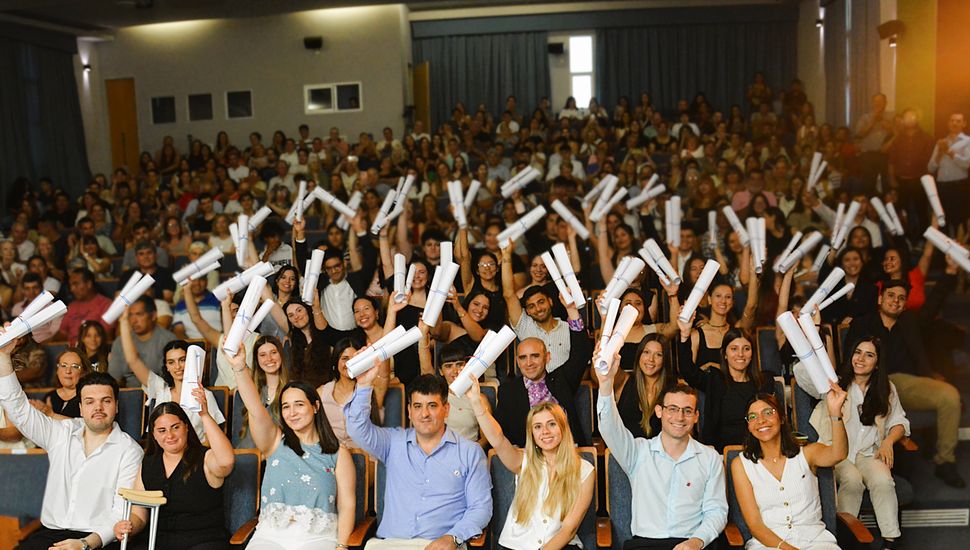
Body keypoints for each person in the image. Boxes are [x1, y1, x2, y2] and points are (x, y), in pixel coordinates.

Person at [0, 339, 143, 550]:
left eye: (106, 400)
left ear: (116, 406)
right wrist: (3, 357)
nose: (98, 408)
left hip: (99, 540)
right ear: (81, 407)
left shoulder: (129, 451)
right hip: (50, 535)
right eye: (90, 401)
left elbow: (121, 514)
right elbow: (19, 411)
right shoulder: (60, 433)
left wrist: (84, 544)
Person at [227, 341, 355, 550]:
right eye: (286, 407)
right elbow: (256, 409)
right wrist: (240, 367)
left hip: (318, 538)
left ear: (315, 406)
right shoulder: (275, 442)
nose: (292, 413)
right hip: (270, 536)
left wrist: (342, 546)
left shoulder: (338, 453)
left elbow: (347, 505)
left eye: (299, 405)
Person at [345, 370, 492, 549]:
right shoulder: (392, 443)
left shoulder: (470, 452)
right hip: (391, 544)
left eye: (432, 405)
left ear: (446, 409)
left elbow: (480, 508)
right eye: (417, 406)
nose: (424, 414)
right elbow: (356, 428)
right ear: (409, 411)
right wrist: (363, 386)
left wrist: (453, 537)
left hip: (440, 544)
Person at [596, 354, 727, 550]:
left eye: (687, 410)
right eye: (672, 409)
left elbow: (716, 511)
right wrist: (606, 383)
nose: (680, 417)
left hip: (693, 544)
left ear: (696, 417)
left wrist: (696, 541)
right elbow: (608, 427)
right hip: (646, 544)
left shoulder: (710, 458)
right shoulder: (639, 451)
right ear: (659, 412)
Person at [846, 277, 965, 487]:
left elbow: (932, 308)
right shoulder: (863, 323)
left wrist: (948, 274)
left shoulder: (909, 322)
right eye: (891, 295)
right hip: (871, 382)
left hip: (906, 382)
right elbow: (849, 359)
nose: (896, 301)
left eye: (901, 298)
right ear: (880, 298)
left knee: (950, 395)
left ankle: (945, 461)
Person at [794, 337, 909, 548]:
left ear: (877, 363)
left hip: (868, 453)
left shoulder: (886, 388)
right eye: (858, 352)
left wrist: (888, 442)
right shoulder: (835, 382)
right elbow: (802, 375)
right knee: (852, 479)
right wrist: (812, 338)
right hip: (837, 453)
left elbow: (899, 421)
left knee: (884, 480)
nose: (861, 358)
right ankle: (845, 538)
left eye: (869, 354)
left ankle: (890, 541)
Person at [462, 375, 594, 550]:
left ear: (563, 428)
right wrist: (476, 403)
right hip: (518, 545)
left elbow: (568, 530)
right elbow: (498, 439)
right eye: (538, 427)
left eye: (552, 424)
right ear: (532, 434)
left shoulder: (585, 470)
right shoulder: (523, 461)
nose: (545, 431)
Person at [113, 392, 235, 550]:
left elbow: (227, 461)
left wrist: (204, 415)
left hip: (203, 541)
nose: (169, 435)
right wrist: (129, 527)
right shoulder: (148, 463)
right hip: (158, 541)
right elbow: (139, 514)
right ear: (154, 435)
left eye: (175, 427)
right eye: (162, 430)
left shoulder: (205, 458)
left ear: (186, 427)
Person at [730, 389, 848, 550]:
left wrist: (835, 413)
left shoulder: (807, 453)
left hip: (817, 542)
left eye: (768, 412)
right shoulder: (741, 464)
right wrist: (787, 548)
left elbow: (839, 453)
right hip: (769, 545)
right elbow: (755, 524)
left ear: (782, 418)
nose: (761, 420)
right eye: (753, 417)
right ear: (749, 426)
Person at [495, 298, 592, 446]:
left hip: (567, 453)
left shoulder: (561, 380)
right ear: (517, 361)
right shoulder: (507, 392)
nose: (529, 363)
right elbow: (503, 436)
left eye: (535, 356)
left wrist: (572, 311)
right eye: (523, 358)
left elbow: (581, 353)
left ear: (547, 357)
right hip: (529, 458)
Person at [117, 309, 225, 442]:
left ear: (191, 361)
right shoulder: (160, 390)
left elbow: (211, 440)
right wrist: (123, 322)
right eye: (171, 362)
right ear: (167, 367)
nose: (178, 367)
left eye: (182, 360)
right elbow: (133, 360)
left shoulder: (205, 395)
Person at [108, 296, 177, 388]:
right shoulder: (120, 342)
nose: (133, 321)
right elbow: (113, 380)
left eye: (139, 314)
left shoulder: (168, 340)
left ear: (153, 316)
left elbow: (167, 383)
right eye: (130, 315)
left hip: (159, 394)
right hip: (127, 395)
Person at [927, 112, 970, 231]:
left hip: (959, 187)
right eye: (952, 120)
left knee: (959, 222)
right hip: (941, 187)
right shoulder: (941, 142)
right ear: (948, 123)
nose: (954, 123)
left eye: (958, 121)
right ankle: (942, 248)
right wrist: (940, 153)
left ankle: (961, 247)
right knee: (942, 221)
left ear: (964, 124)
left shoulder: (967, 141)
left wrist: (949, 152)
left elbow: (967, 164)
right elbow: (930, 168)